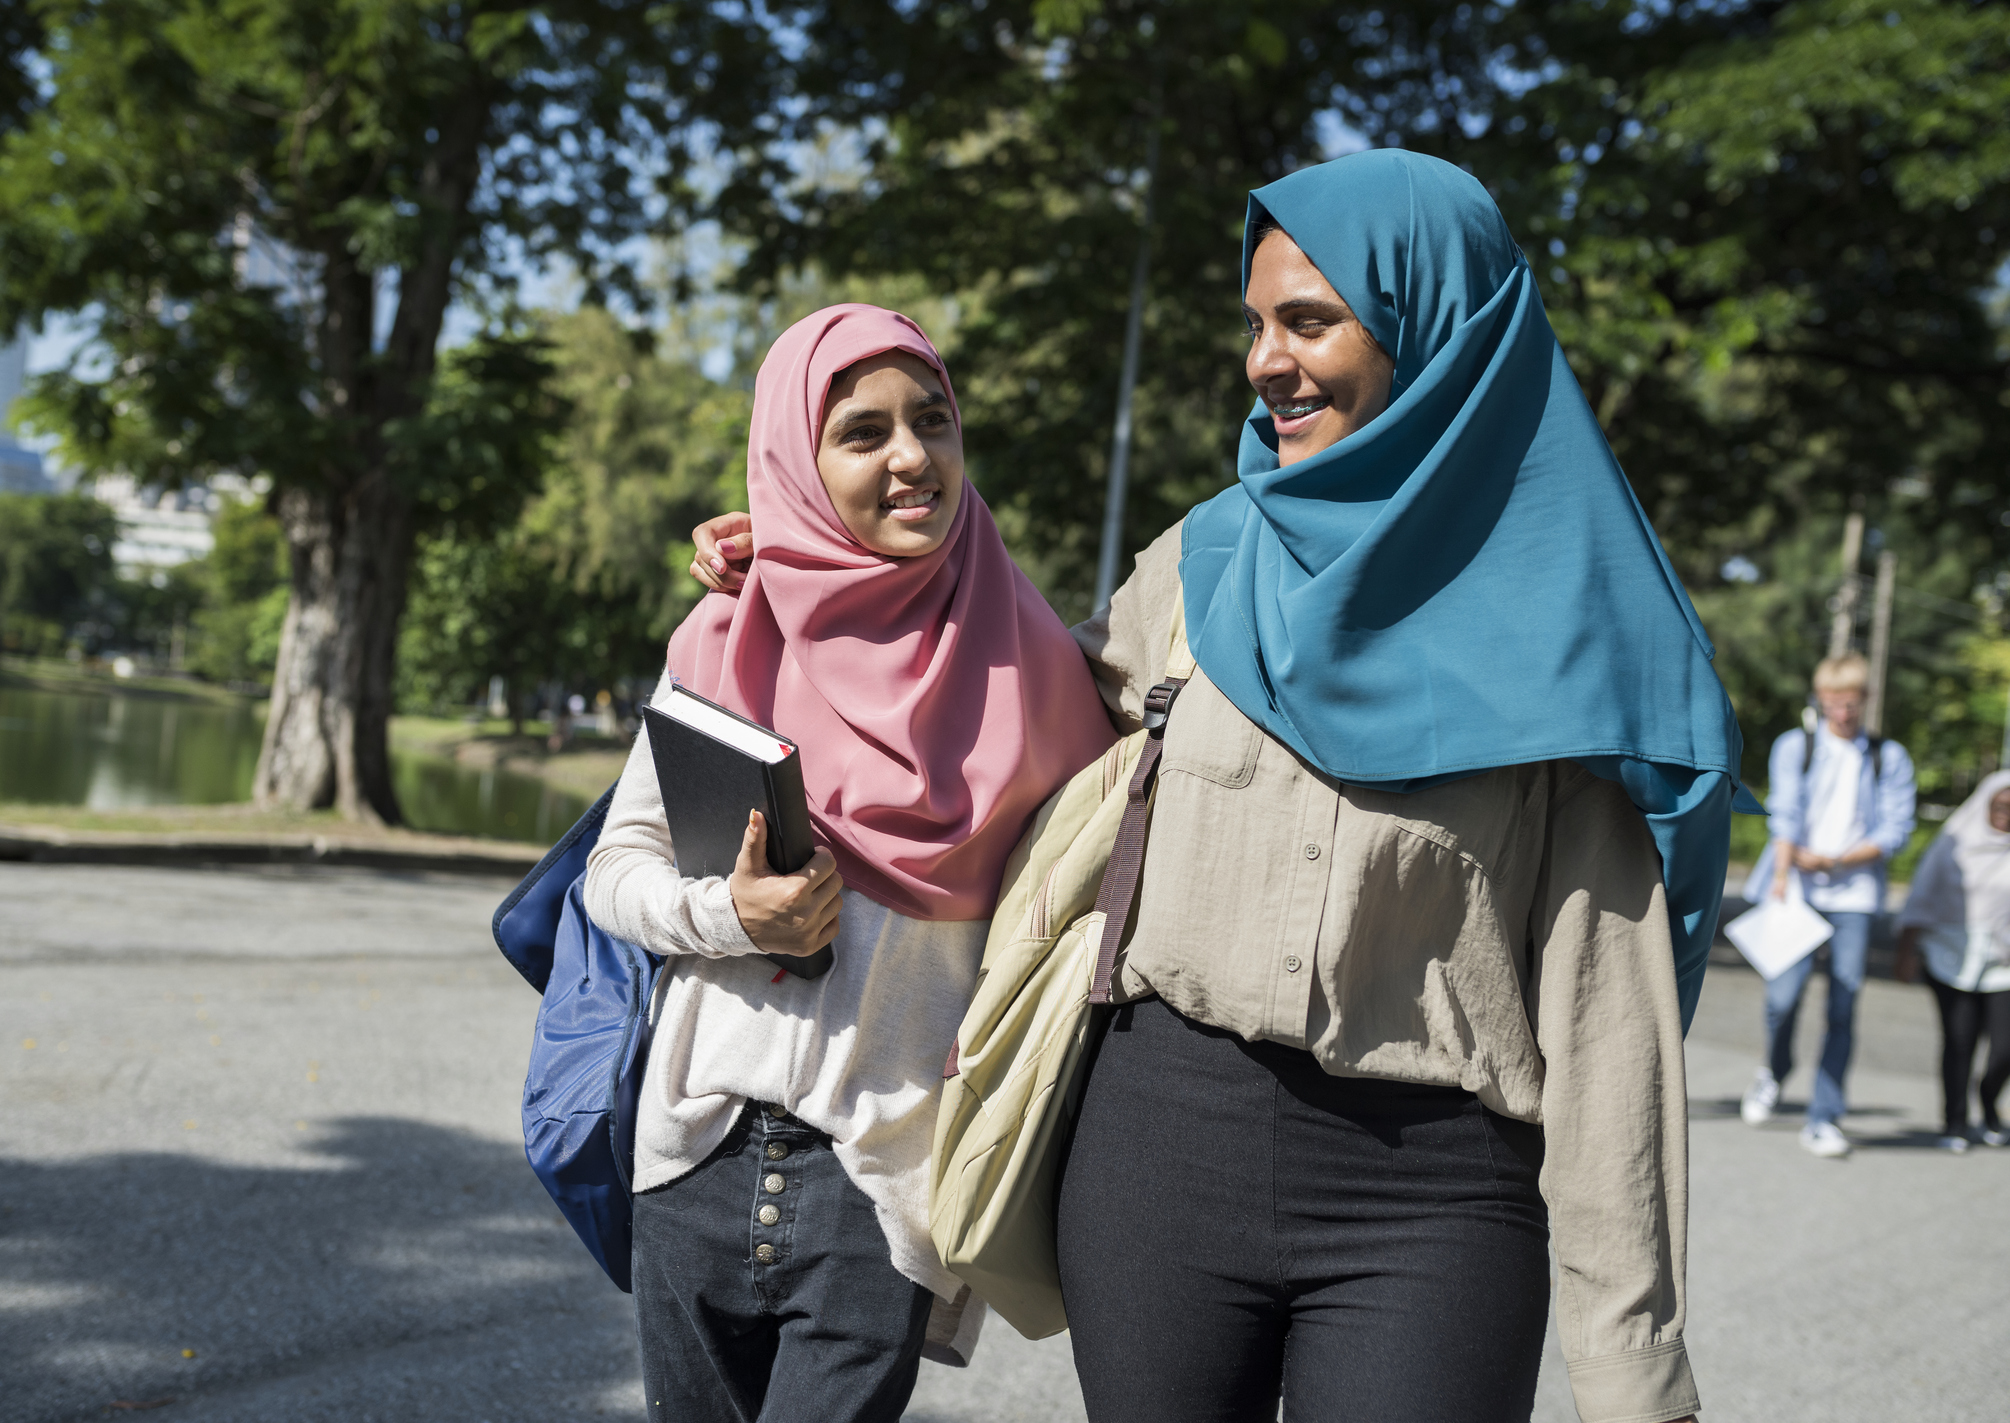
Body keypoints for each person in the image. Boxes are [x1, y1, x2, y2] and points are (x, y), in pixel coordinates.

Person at [694, 150, 1736, 1423]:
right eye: (1255, 324)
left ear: (1435, 324)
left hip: (1436, 1198)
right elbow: (991, 704)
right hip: (1159, 1156)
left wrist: (1635, 1367)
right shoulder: (1205, 561)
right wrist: (807, 557)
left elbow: (1607, 1015)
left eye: (1309, 321)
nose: (1263, 361)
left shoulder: (1580, 625)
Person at [585, 305, 1114, 1422]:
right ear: (799, 461)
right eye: (862, 433)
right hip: (695, 1150)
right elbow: (615, 870)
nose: (913, 456)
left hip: (881, 1186)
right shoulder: (729, 633)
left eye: (933, 420)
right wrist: (737, 913)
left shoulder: (1049, 676)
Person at [1739, 654, 1916, 1157]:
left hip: (1854, 897)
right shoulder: (1798, 745)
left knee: (1844, 1003)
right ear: (1820, 700)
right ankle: (1773, 1071)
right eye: (1833, 702)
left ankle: (1824, 1116)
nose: (1842, 711)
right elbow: (1786, 812)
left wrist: (1838, 861)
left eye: (1851, 702)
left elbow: (1896, 829)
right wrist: (1782, 871)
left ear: (1865, 700)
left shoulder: (1889, 756)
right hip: (1794, 889)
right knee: (1782, 998)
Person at [1893, 772, 2010, 1151]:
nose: (2006, 814)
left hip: (2004, 964)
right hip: (1950, 955)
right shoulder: (1954, 842)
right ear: (1985, 805)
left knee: (2003, 1051)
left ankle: (1990, 1102)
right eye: (2000, 806)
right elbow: (1922, 895)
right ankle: (1955, 1122)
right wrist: (1906, 952)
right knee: (1959, 1042)